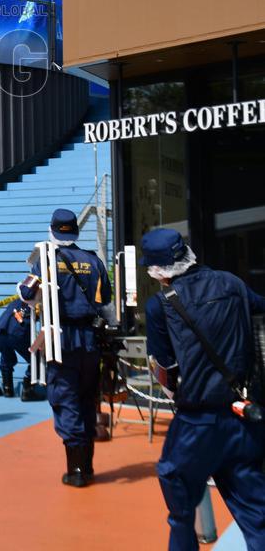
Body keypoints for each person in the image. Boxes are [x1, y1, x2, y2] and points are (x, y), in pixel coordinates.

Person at [142, 227, 265, 551]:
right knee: (256, 512)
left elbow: (165, 369)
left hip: (197, 424)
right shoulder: (232, 283)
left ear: (157, 271)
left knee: (180, 504)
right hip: (244, 416)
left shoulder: (161, 305)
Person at [18, 208, 112, 487]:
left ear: (53, 230)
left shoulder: (46, 260)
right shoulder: (94, 261)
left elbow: (26, 293)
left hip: (60, 339)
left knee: (65, 399)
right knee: (86, 398)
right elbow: (105, 298)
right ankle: (88, 466)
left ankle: (77, 471)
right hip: (90, 339)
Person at [0, 299, 40, 401]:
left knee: (6, 357)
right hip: (17, 332)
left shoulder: (18, 299)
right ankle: (27, 390)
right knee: (36, 358)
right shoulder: (38, 301)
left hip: (1, 330)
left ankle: (7, 389)